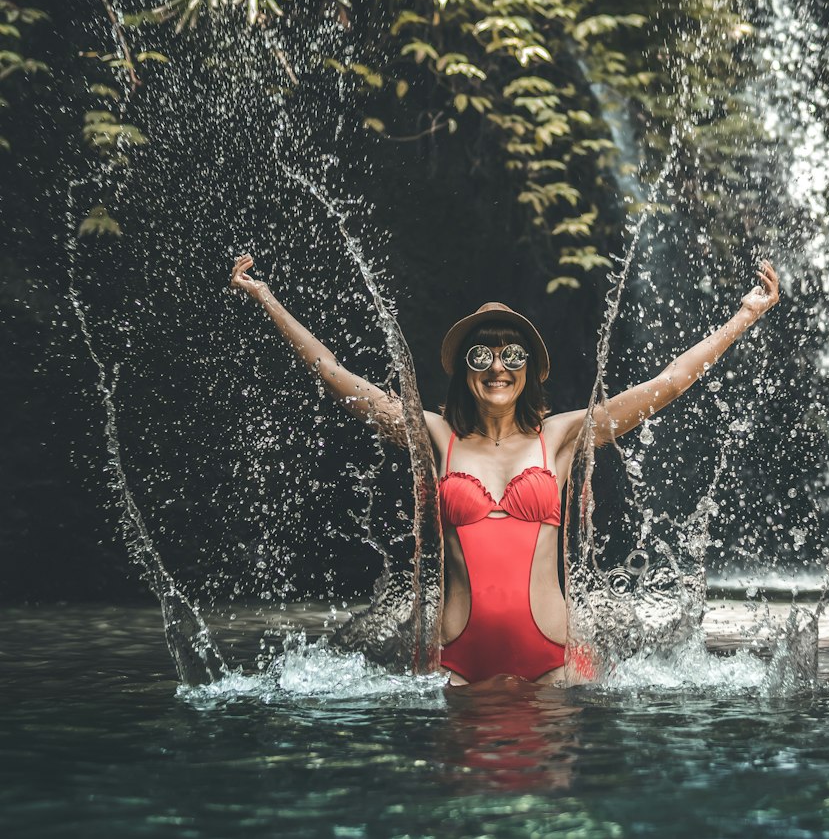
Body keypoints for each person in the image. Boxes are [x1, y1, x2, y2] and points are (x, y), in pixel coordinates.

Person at [228, 254, 780, 686]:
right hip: (453, 665)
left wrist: (746, 314)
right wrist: (267, 298)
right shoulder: (434, 436)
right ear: (464, 370)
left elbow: (665, 385)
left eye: (512, 355)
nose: (497, 367)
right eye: (481, 356)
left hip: (556, 661)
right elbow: (339, 380)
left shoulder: (560, 437)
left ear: (530, 372)